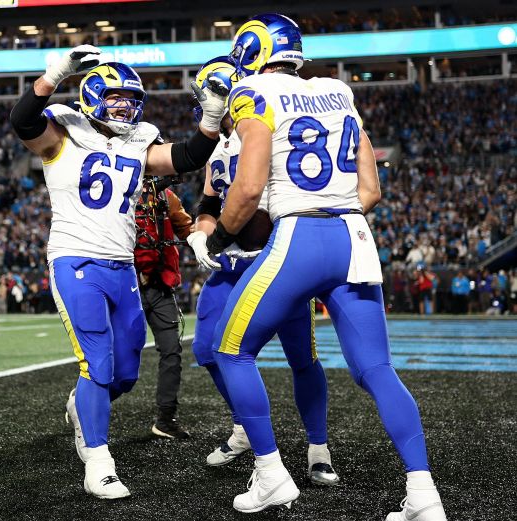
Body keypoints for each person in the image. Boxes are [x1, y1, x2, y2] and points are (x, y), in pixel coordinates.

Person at [198, 14, 446, 519]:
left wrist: (219, 237)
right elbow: (371, 189)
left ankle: (271, 474)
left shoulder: (252, 91)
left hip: (300, 236)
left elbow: (247, 189)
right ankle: (424, 495)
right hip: (354, 236)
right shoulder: (337, 90)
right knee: (377, 369)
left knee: (230, 350)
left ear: (248, 51)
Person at [9, 45, 225, 498]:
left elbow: (186, 157)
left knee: (124, 374)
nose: (125, 105)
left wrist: (210, 118)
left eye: (131, 98)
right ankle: (99, 461)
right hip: (75, 259)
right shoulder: (63, 132)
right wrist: (55, 75)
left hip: (122, 265)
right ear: (90, 93)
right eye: (115, 96)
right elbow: (23, 121)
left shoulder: (138, 139)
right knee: (99, 366)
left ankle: (81, 404)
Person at [186, 57, 338, 484]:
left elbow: (258, 203)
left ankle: (318, 448)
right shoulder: (220, 145)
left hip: (274, 261)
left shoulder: (270, 130)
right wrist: (202, 231)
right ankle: (244, 427)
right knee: (206, 351)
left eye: (212, 96)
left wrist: (220, 235)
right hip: (229, 266)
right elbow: (211, 202)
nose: (207, 106)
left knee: (301, 359)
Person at [132, 177, 192, 439]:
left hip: (158, 286)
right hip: (128, 287)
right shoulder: (120, 193)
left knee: (172, 352)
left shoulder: (166, 197)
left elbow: (188, 230)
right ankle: (86, 404)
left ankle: (166, 419)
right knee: (120, 361)